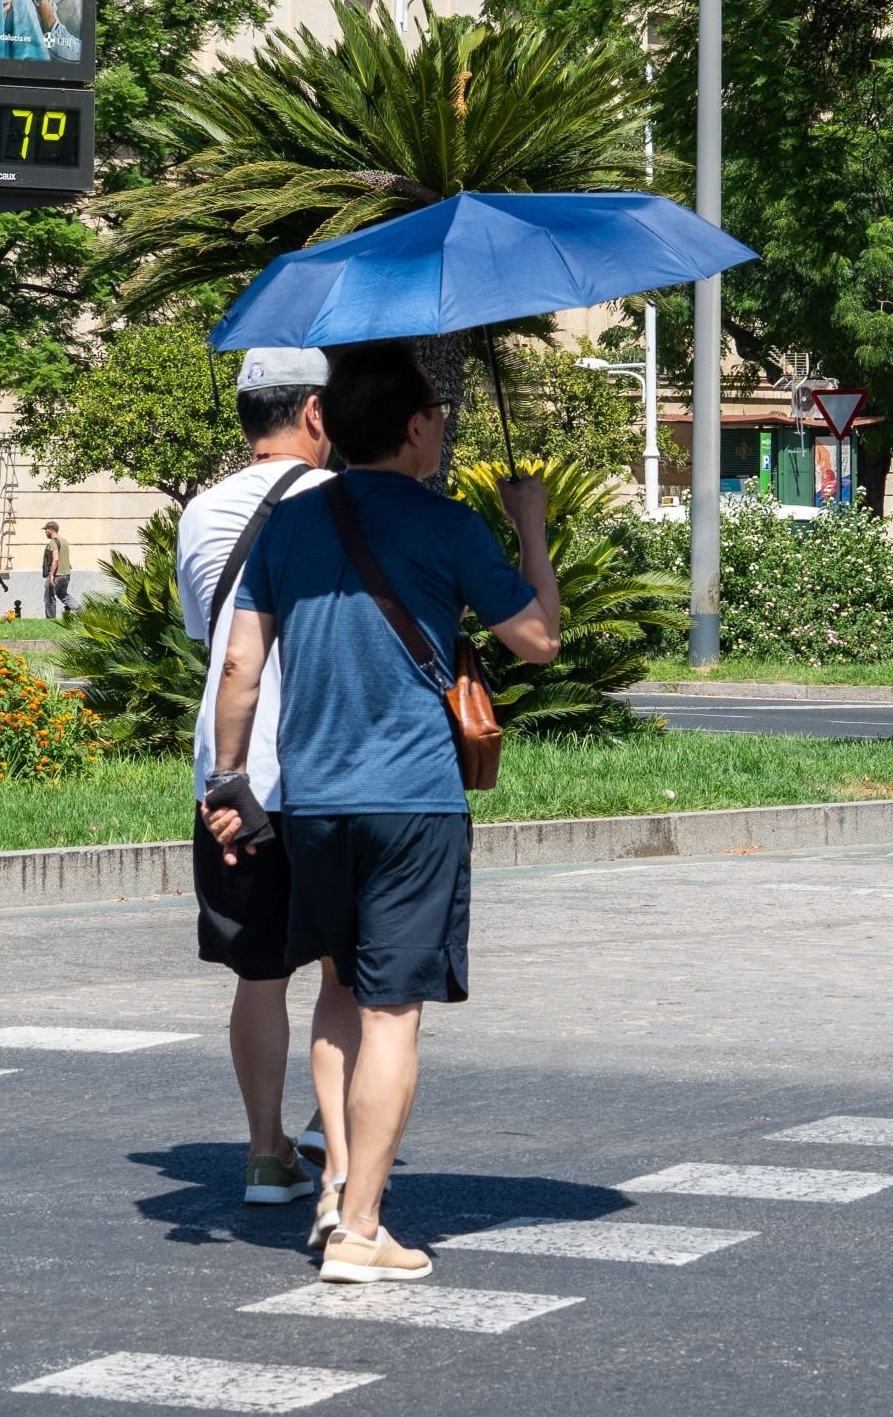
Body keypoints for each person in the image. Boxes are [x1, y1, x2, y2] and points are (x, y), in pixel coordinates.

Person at [205, 342, 561, 1283]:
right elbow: (537, 642)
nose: (443, 428)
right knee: (394, 1014)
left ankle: (333, 1196)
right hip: (411, 804)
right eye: (438, 415)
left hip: (313, 803)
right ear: (412, 428)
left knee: (340, 993)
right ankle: (361, 1226)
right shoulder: (446, 527)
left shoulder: (287, 526)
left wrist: (230, 780)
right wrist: (529, 527)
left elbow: (240, 667)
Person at [175, 348, 360, 1217]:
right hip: (328, 768)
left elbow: (209, 640)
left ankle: (262, 1153)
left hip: (231, 777)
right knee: (345, 969)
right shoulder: (344, 503)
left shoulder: (202, 514)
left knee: (257, 972)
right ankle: (335, 1152)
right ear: (316, 413)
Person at [41, 521, 71, 618]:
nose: (45, 532)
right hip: (66, 574)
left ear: (51, 530)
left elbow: (56, 558)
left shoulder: (53, 542)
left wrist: (52, 575)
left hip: (57, 575)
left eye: (46, 530)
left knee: (49, 597)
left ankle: (50, 621)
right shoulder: (65, 541)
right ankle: (80, 611)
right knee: (63, 595)